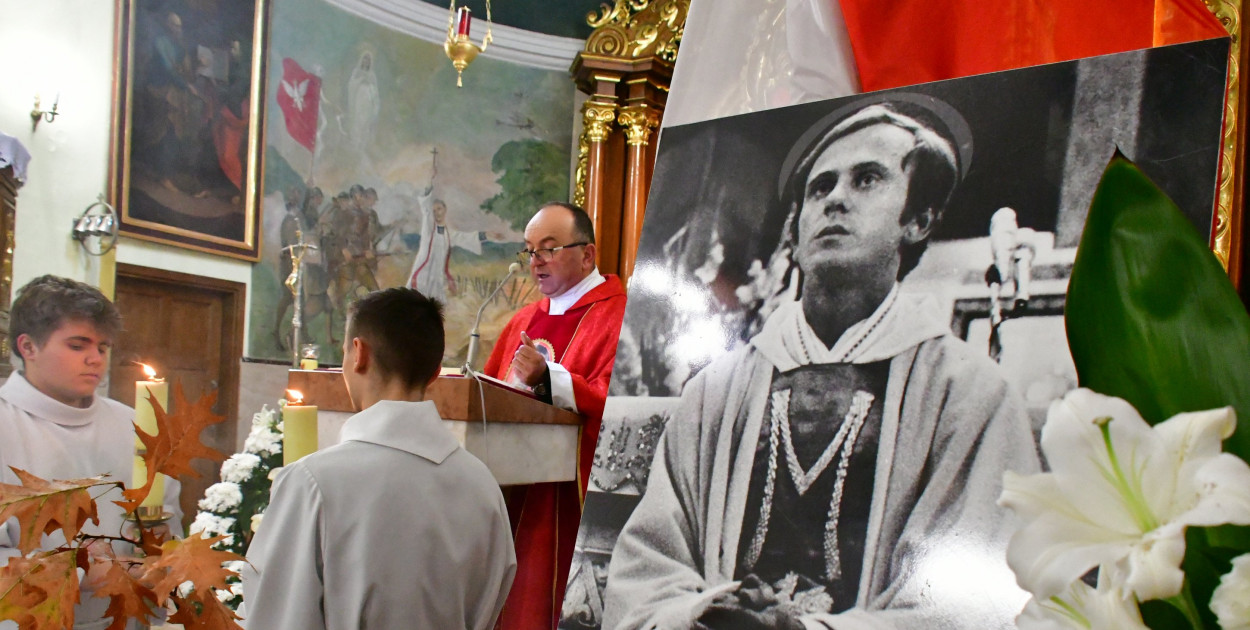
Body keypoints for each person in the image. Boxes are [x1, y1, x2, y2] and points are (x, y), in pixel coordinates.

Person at [601, 102, 1040, 629]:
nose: (835, 199)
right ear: (796, 229)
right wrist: (699, 614)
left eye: (867, 180)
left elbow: (979, 599)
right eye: (820, 187)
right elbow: (647, 571)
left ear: (918, 220)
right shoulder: (716, 392)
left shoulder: (969, 395)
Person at [241, 287, 516, 630]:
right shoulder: (483, 486)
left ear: (358, 354)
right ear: (434, 374)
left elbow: (277, 618)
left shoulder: (313, 483)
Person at [0, 275, 182, 630]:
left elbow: (166, 516)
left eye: (102, 347)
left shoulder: (134, 423)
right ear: (28, 347)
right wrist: (78, 570)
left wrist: (158, 552)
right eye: (77, 346)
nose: (95, 359)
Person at [484, 202, 627, 629]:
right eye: (530, 251)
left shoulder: (619, 317)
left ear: (588, 254)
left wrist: (550, 380)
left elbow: (621, 408)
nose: (536, 262)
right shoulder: (523, 321)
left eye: (548, 248)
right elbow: (490, 393)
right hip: (512, 491)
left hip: (569, 503)